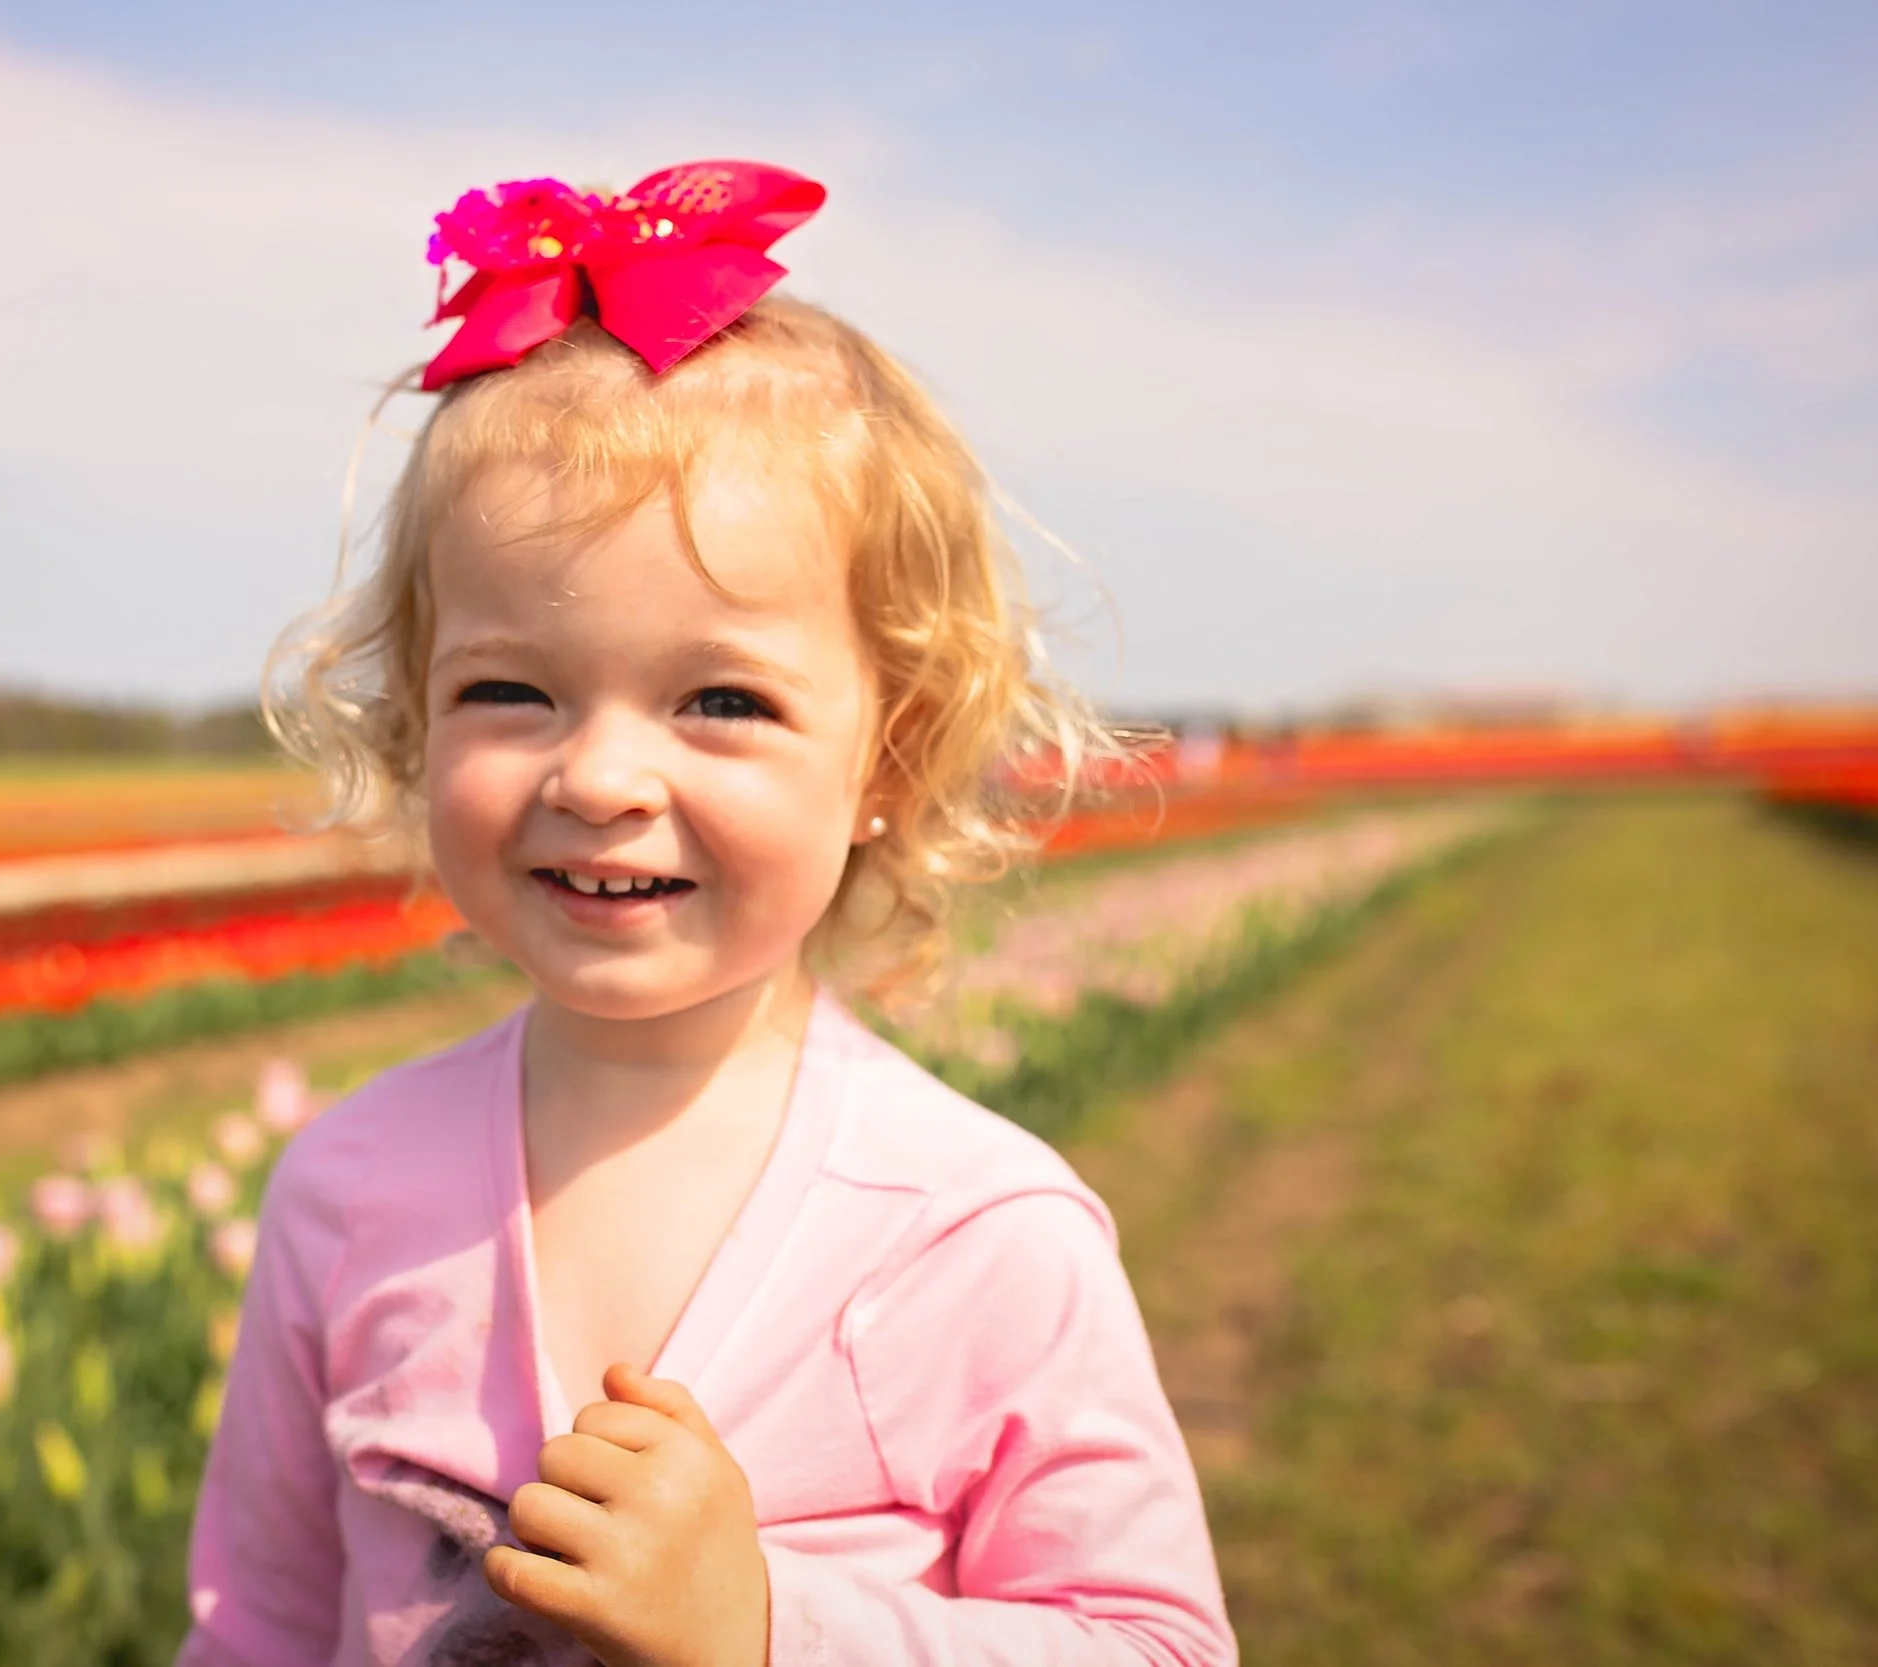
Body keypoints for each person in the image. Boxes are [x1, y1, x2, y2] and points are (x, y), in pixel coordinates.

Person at [180, 161, 1236, 1667]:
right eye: (509, 689)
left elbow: (1159, 1645)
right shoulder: (343, 1193)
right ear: (415, 720)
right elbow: (260, 1631)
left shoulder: (976, 1232)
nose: (601, 773)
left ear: (894, 752)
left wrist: (765, 1626)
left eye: (721, 699)